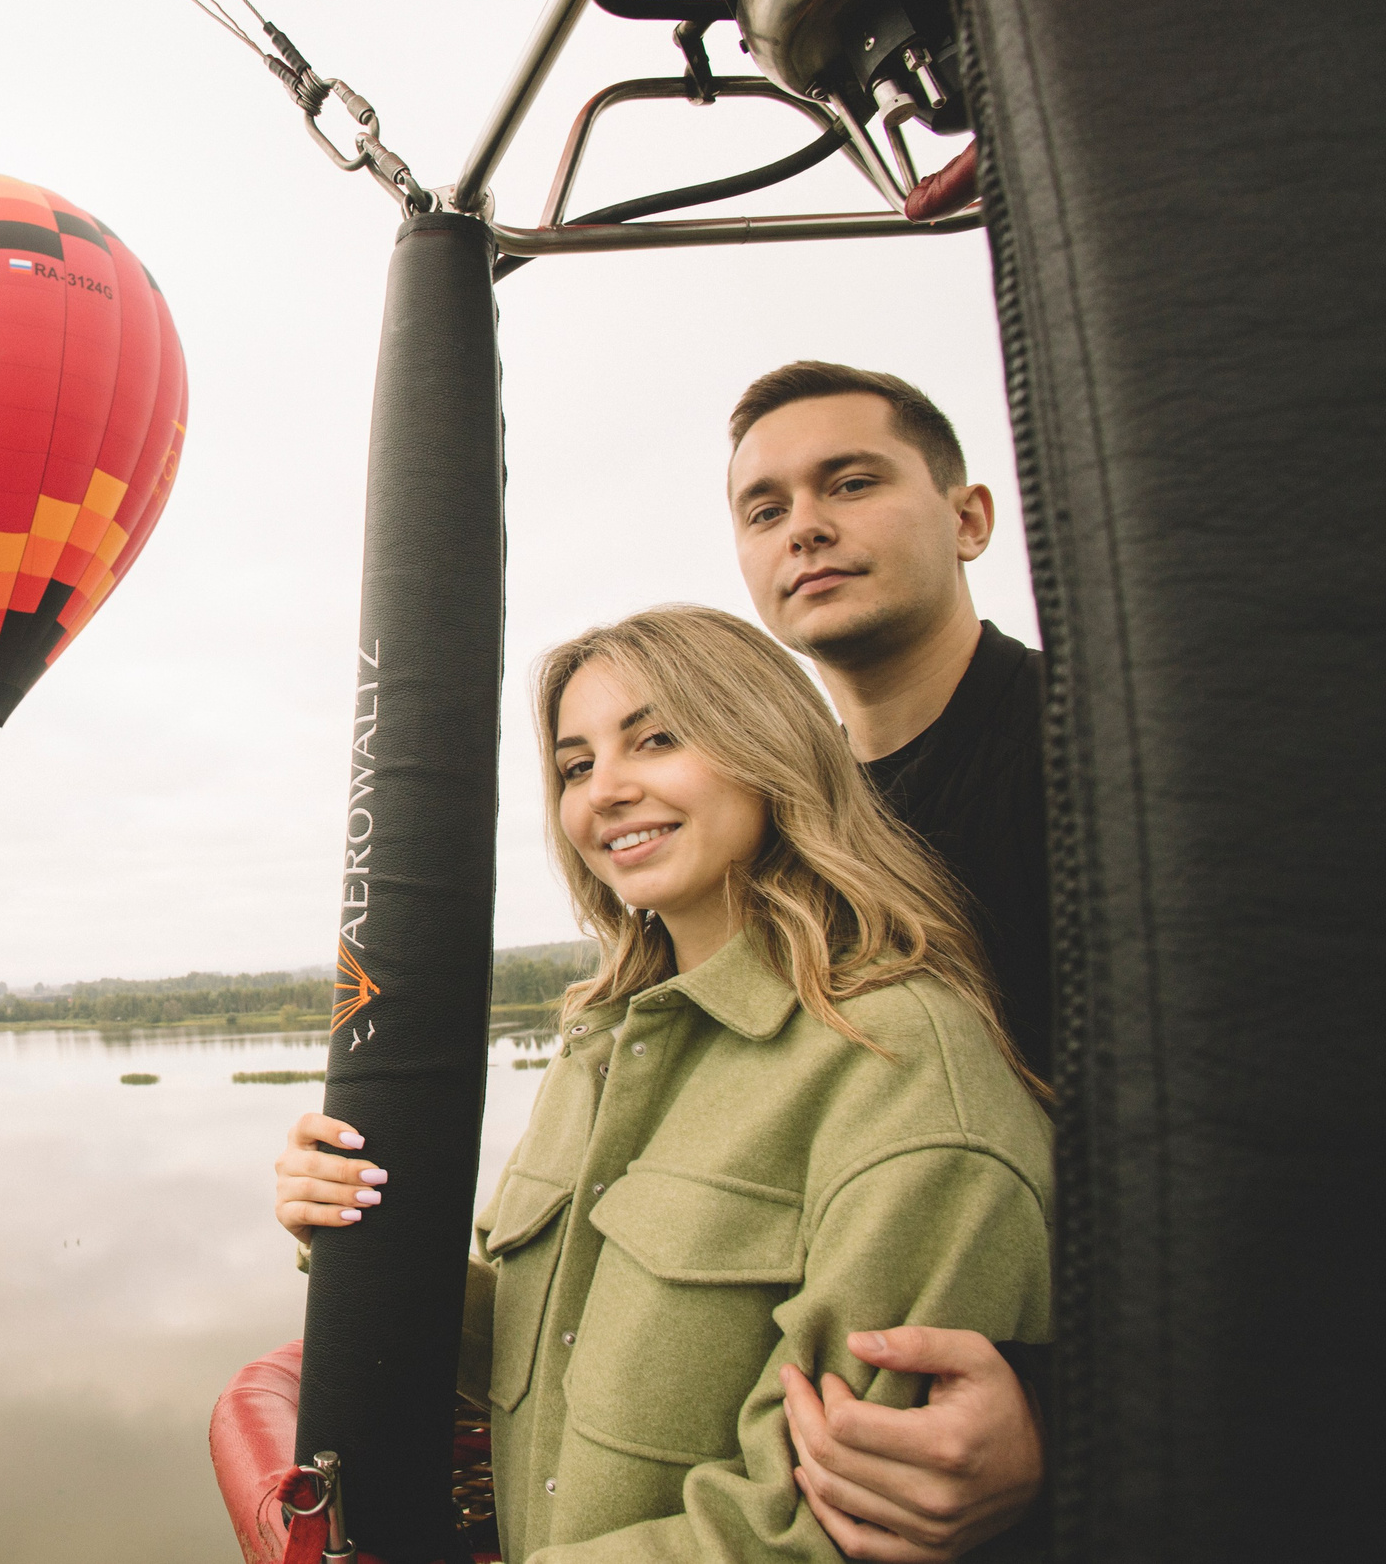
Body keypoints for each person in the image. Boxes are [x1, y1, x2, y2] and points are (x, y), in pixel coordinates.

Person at [288, 606, 1052, 1562]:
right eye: (575, 765)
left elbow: (814, 1523)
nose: (606, 789)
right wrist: (356, 1234)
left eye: (656, 738)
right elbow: (534, 1356)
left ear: (767, 747)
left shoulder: (897, 1065)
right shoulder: (600, 1043)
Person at [724, 362, 1050, 1560]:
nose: (803, 524)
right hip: (827, 1441)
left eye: (849, 482)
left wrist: (1056, 1420)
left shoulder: (1102, 756)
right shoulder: (784, 838)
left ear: (967, 518)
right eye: (763, 511)